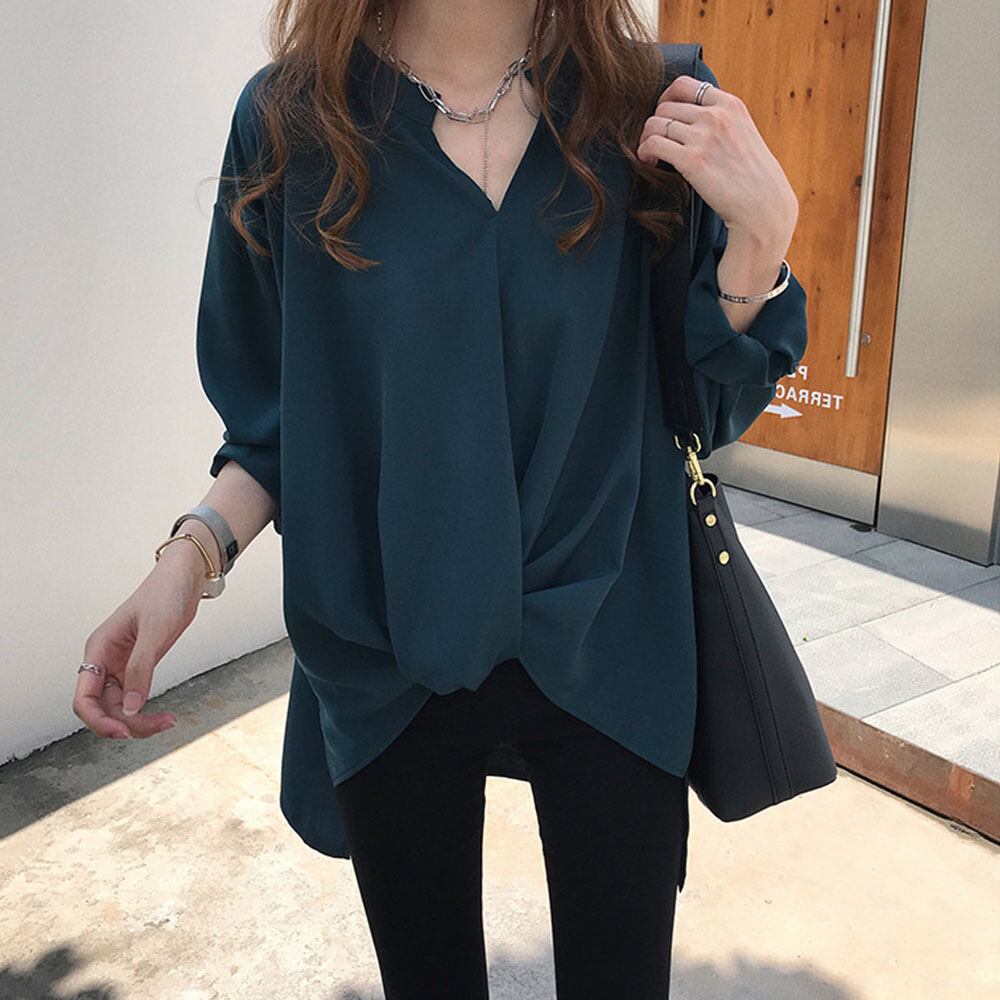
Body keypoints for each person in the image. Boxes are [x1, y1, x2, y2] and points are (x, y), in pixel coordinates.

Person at [75, 1, 806, 996]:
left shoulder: (653, 106)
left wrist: (760, 239)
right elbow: (280, 424)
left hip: (614, 638)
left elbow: (706, 407)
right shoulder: (294, 121)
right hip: (388, 646)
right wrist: (187, 559)